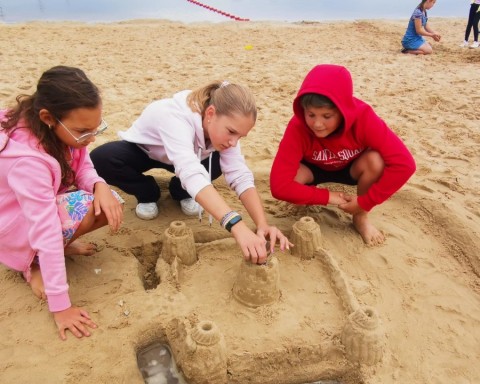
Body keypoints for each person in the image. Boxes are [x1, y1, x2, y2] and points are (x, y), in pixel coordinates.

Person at [90, 80, 292, 263]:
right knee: (101, 158)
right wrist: (237, 226)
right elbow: (190, 171)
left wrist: (262, 224)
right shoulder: (175, 116)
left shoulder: (225, 134)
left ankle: (181, 192)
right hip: (146, 151)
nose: (234, 142)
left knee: (219, 162)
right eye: (231, 132)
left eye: (240, 136)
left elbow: (239, 174)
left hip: (190, 158)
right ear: (210, 113)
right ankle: (148, 192)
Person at [0, 65, 124, 340]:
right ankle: (31, 265)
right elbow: (44, 229)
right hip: (13, 227)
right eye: (83, 131)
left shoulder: (60, 132)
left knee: (108, 202)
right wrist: (61, 308)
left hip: (32, 210)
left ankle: (59, 247)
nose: (91, 138)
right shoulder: (27, 162)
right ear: (48, 117)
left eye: (96, 129)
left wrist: (99, 185)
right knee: (79, 211)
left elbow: (83, 165)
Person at [269, 64, 416, 246]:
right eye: (311, 114)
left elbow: (405, 164)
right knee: (289, 179)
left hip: (351, 167)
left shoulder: (363, 118)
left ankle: (360, 218)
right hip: (312, 169)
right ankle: (302, 201)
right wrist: (328, 196)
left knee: (376, 161)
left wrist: (365, 202)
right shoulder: (298, 126)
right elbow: (278, 186)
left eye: (327, 116)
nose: (317, 124)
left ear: (343, 111)